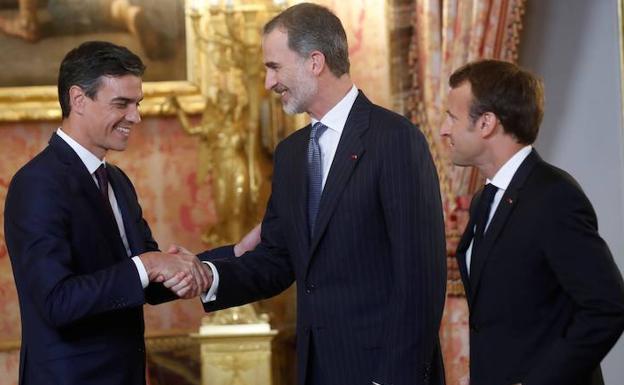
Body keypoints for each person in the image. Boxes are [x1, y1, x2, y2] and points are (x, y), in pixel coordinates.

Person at [173, 3, 447, 385]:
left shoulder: (395, 140)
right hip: (318, 370)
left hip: (383, 372)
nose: (268, 82)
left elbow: (421, 280)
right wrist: (206, 274)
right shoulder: (291, 154)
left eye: (274, 66)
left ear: (315, 61)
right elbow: (277, 259)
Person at [3, 41, 212, 385]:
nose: (136, 116)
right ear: (78, 99)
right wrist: (149, 264)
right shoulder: (37, 183)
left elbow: (145, 281)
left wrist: (218, 261)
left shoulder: (116, 179)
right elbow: (57, 302)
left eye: (137, 104)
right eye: (122, 104)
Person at [441, 59, 624, 385]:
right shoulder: (485, 199)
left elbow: (607, 307)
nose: (443, 129)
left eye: (452, 117)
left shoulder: (553, 195)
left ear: (486, 123)